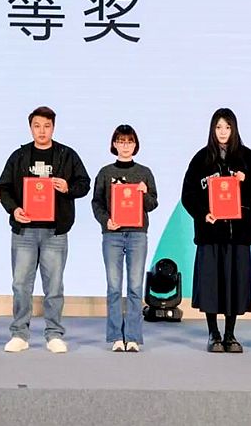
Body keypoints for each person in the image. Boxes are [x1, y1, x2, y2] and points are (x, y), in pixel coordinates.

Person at [0, 106, 90, 353]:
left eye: (47, 126)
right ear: (30, 128)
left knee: (54, 286)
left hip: (55, 232)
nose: (42, 131)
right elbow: (3, 187)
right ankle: (19, 333)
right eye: (37, 126)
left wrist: (67, 187)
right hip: (25, 231)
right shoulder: (19, 156)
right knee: (20, 285)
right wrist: (14, 209)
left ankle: (54, 334)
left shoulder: (66, 155)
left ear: (53, 128)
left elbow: (84, 184)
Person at [181, 108, 251, 353]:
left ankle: (230, 334)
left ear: (234, 129)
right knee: (211, 284)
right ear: (212, 129)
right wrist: (202, 214)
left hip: (239, 233)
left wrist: (244, 181)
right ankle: (213, 333)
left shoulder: (247, 157)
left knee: (234, 284)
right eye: (218, 127)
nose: (223, 132)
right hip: (210, 233)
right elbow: (188, 194)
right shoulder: (201, 158)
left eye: (227, 127)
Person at [91, 124, 158, 353]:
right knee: (113, 286)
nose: (125, 145)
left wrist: (144, 193)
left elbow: (153, 204)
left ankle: (133, 336)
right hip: (113, 234)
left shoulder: (144, 172)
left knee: (135, 287)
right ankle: (115, 337)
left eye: (130, 141)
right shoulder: (105, 172)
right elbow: (96, 203)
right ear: (114, 144)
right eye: (121, 141)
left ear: (135, 145)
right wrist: (106, 221)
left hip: (137, 234)